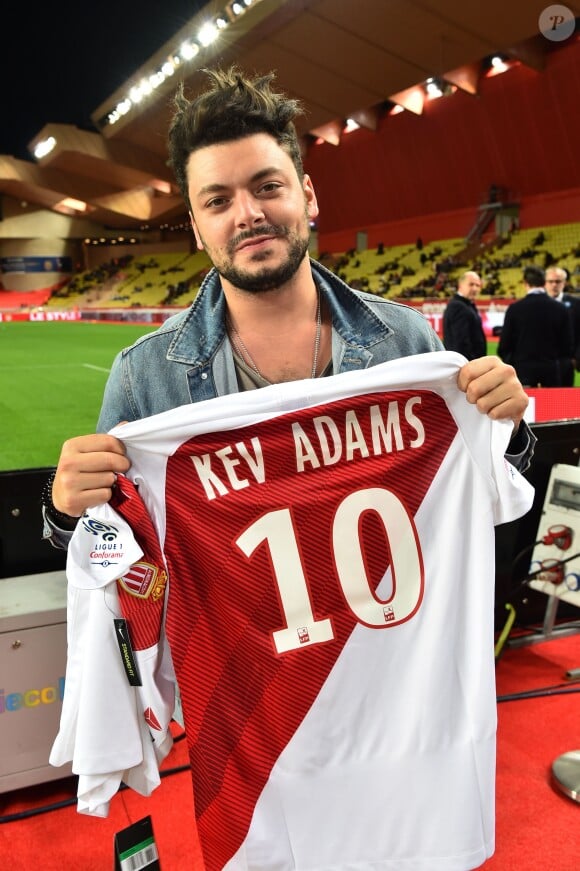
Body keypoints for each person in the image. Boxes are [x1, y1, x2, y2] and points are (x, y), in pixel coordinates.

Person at [43, 67, 535, 871]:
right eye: (218, 200)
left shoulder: (408, 346)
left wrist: (504, 427)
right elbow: (119, 567)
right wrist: (71, 512)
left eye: (267, 185)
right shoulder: (146, 379)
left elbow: (493, 506)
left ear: (308, 195)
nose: (248, 213)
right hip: (257, 734)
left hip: (400, 719)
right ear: (198, 226)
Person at [497, 264, 574, 387]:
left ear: (525, 283)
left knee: (526, 405)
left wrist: (514, 362)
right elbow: (567, 345)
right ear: (544, 282)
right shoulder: (560, 308)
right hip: (551, 370)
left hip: (523, 370)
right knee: (552, 405)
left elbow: (504, 345)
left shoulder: (515, 309)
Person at [544, 265, 580, 385]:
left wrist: (576, 359)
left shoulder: (576, 304)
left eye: (558, 281)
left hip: (566, 362)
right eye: (551, 281)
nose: (554, 285)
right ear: (545, 283)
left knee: (564, 400)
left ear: (564, 283)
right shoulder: (536, 305)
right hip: (542, 363)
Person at [442, 270, 487, 360]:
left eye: (477, 285)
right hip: (467, 366)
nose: (475, 288)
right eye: (471, 284)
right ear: (460, 285)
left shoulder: (466, 305)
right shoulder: (458, 306)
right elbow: (461, 343)